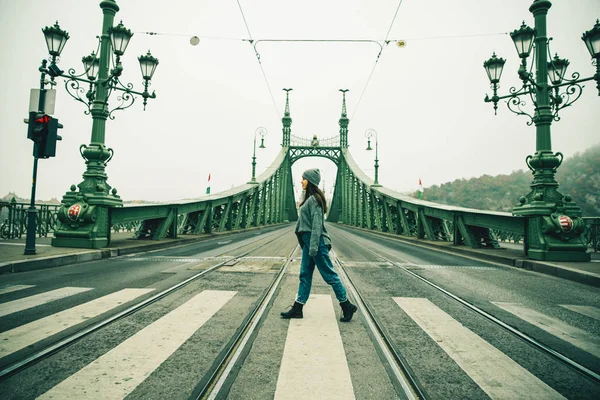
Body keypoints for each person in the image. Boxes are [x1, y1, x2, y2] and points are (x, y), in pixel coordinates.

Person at [281, 168, 358, 322]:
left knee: (330, 275)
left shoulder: (315, 200)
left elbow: (317, 225)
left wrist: (314, 247)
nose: (301, 181)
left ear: (310, 181)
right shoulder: (309, 199)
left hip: (316, 243)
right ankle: (298, 308)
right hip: (310, 242)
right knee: (305, 275)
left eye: (303, 178)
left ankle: (346, 305)